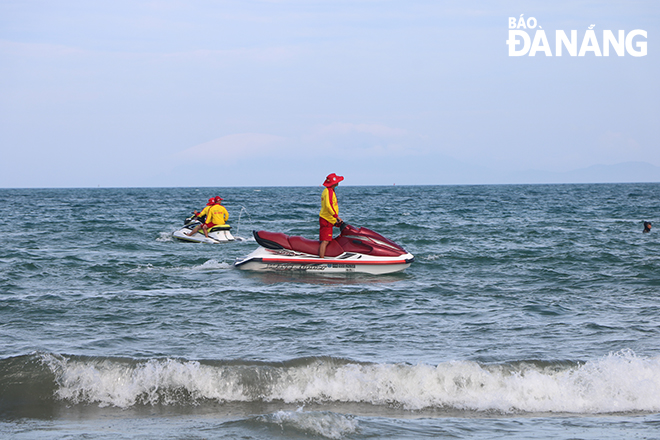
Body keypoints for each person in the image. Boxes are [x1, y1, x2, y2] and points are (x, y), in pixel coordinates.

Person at [319, 173, 344, 258]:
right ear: (334, 183)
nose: (338, 184)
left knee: (327, 240)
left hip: (328, 219)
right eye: (337, 182)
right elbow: (328, 206)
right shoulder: (329, 191)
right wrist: (336, 216)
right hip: (327, 219)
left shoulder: (328, 191)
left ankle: (326, 255)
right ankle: (321, 260)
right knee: (325, 241)